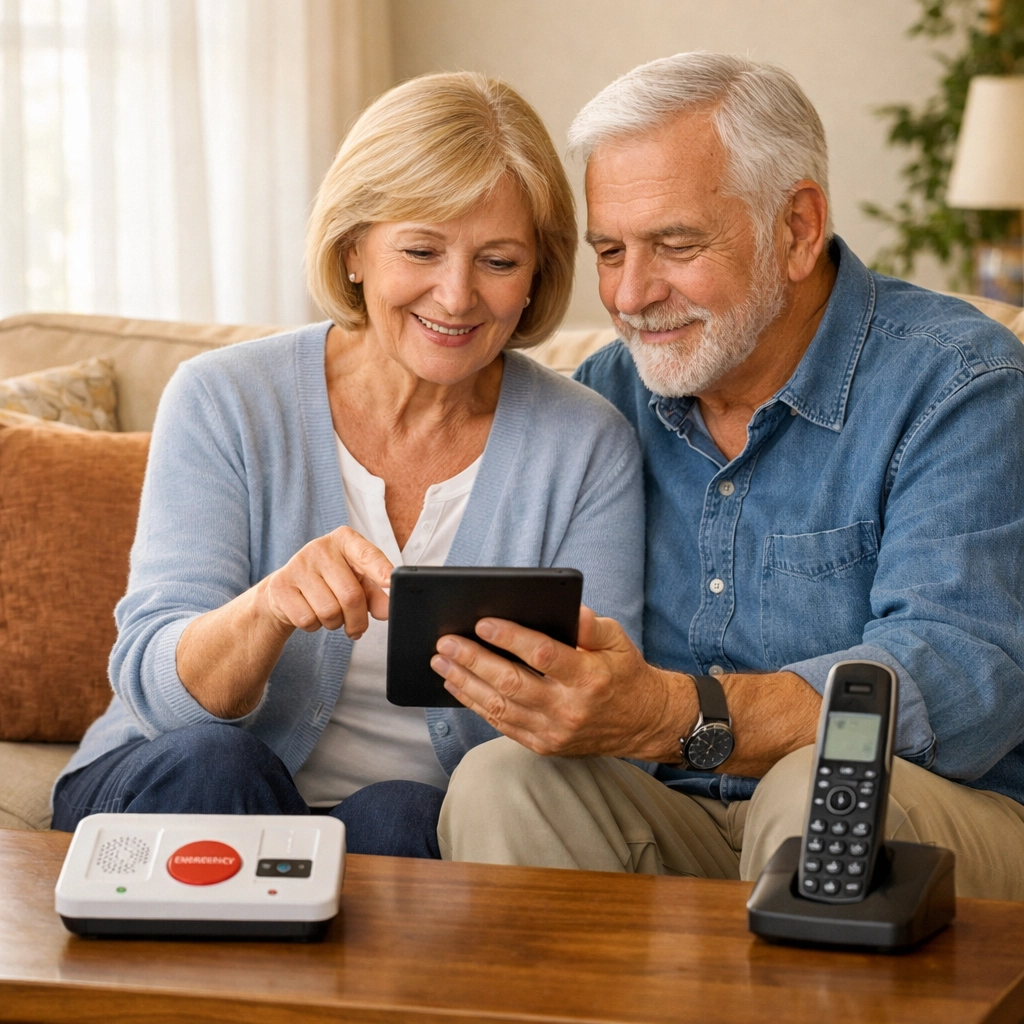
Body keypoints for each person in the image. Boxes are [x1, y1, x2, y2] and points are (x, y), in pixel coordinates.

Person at [431, 52, 1024, 899]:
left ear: (796, 229)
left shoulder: (961, 385)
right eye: (609, 249)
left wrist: (676, 715)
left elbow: (965, 675)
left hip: (937, 817)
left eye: (674, 244)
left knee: (818, 784)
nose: (632, 293)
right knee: (503, 779)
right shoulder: (599, 400)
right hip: (678, 819)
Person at [50, 72, 645, 857]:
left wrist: (544, 684)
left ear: (537, 274)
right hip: (184, 774)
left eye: (498, 261)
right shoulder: (224, 398)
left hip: (406, 827)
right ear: (355, 248)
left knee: (403, 816)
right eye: (421, 250)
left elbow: (598, 724)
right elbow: (160, 694)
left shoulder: (585, 442)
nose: (457, 295)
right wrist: (267, 611)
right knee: (220, 768)